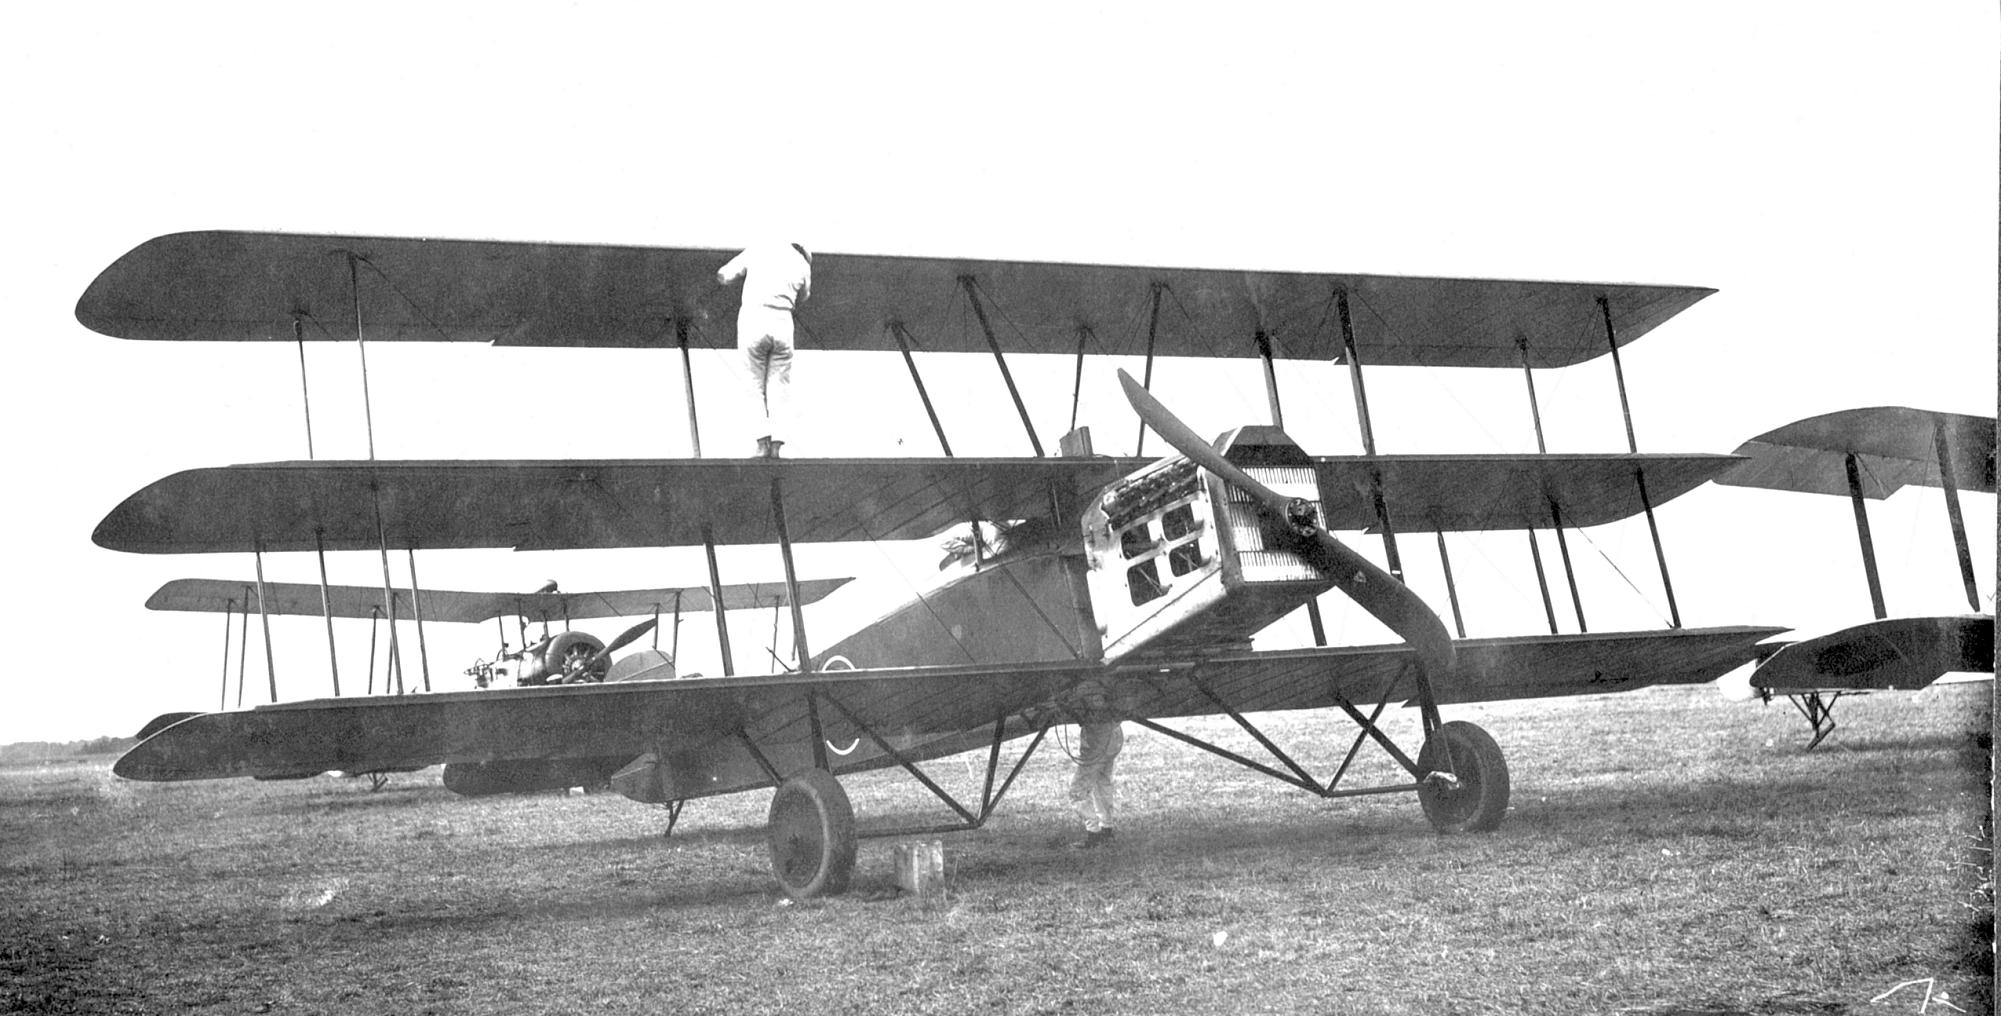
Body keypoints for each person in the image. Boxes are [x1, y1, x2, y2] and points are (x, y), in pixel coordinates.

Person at [715, 242, 812, 458]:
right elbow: (804, 296)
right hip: (784, 322)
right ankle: (777, 447)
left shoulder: (758, 250)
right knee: (780, 387)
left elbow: (724, 275)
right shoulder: (802, 264)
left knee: (753, 384)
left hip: (755, 318)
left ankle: (761, 444)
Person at [1069, 720, 1125, 848]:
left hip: (1097, 736)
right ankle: (1106, 829)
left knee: (1077, 792)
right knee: (1101, 783)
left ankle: (1093, 834)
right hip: (1113, 733)